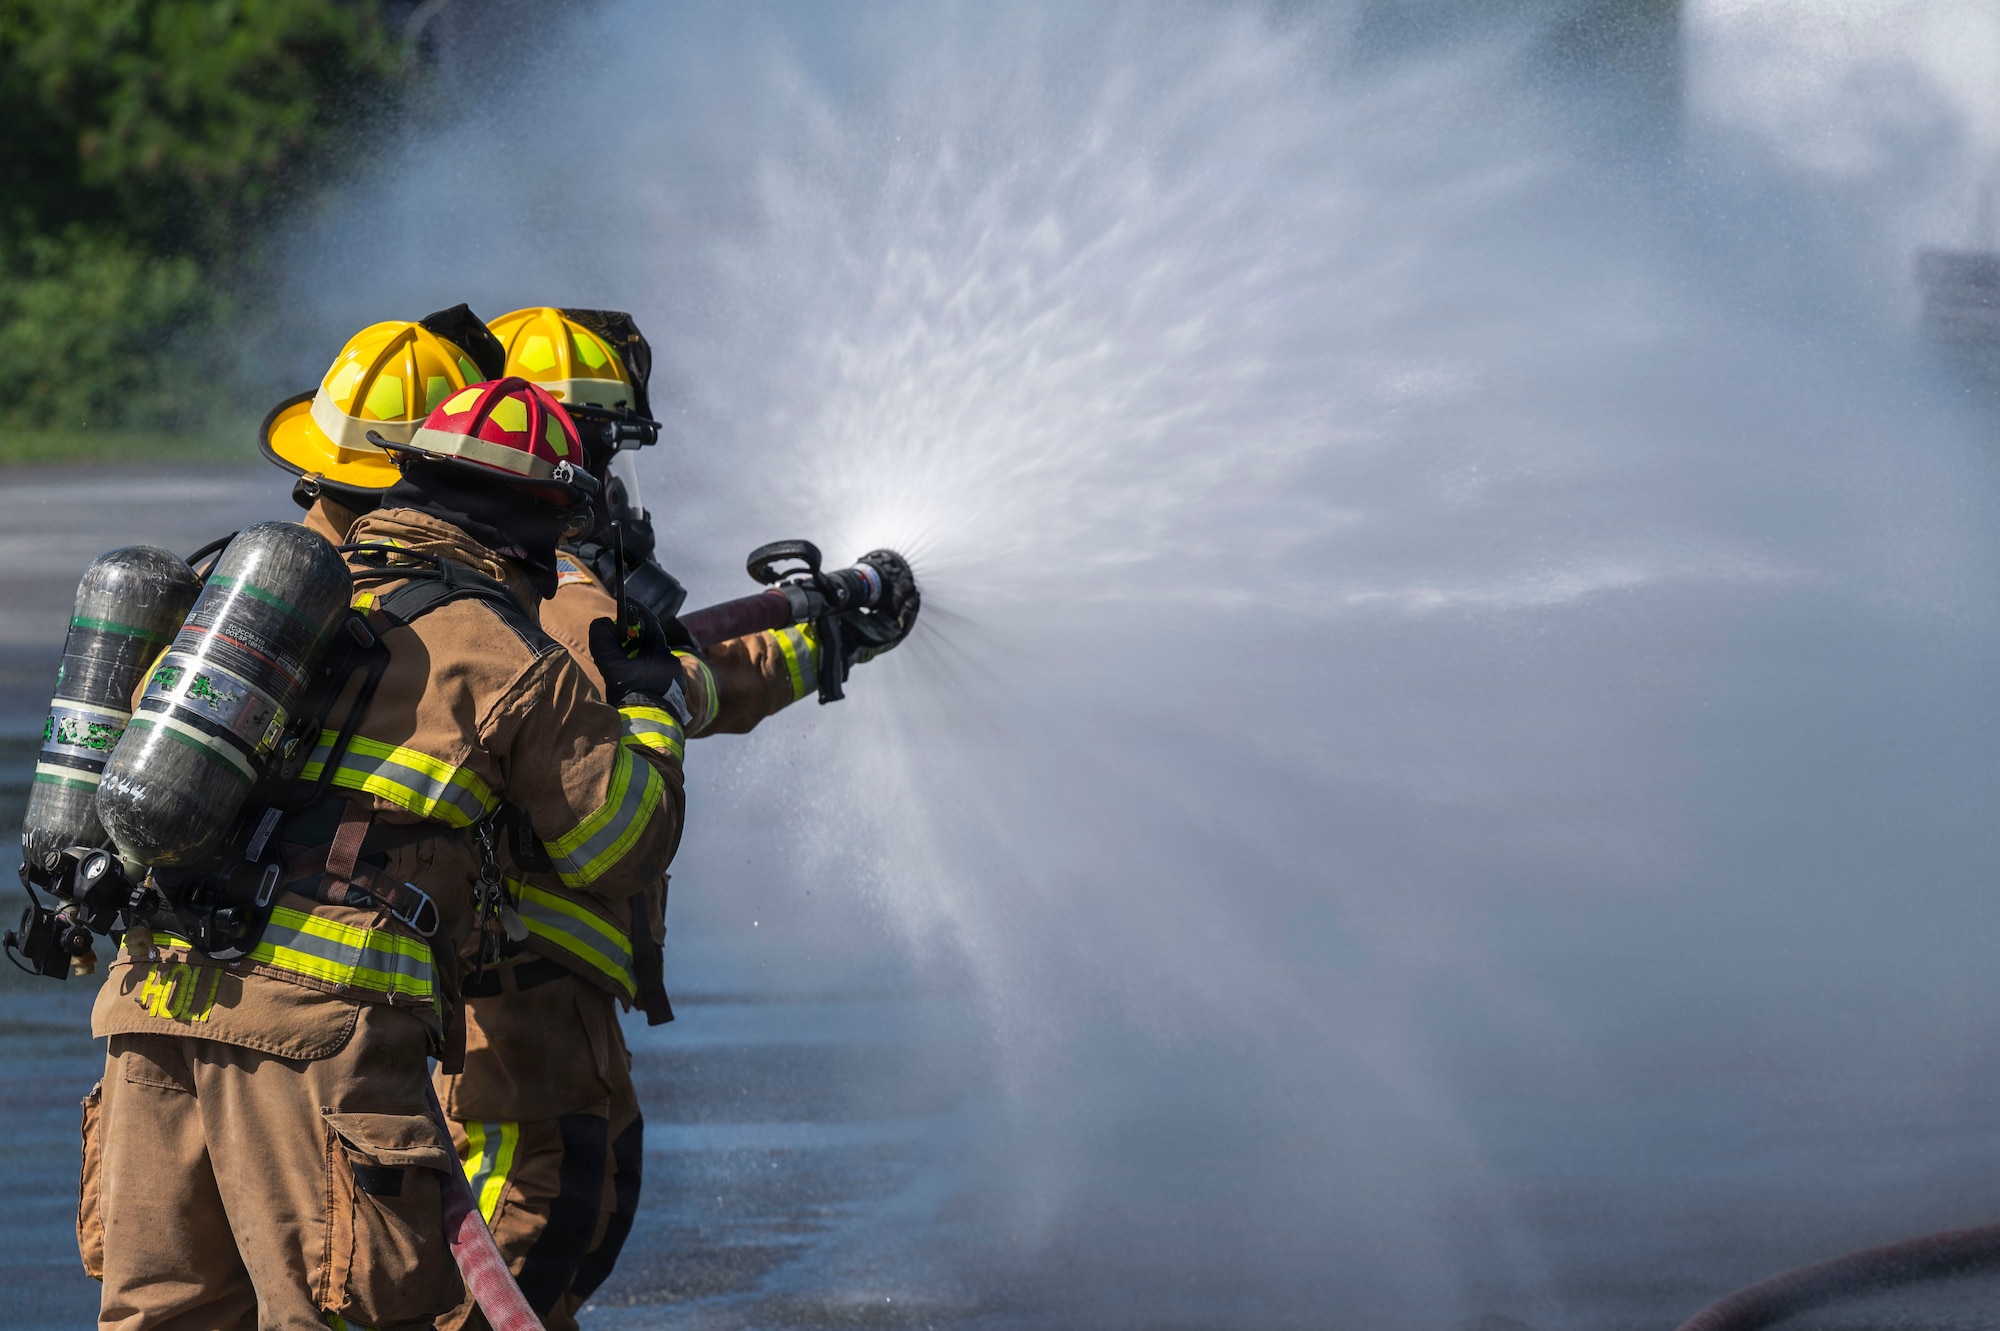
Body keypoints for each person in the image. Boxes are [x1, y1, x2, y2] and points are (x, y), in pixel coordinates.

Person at [84, 376, 687, 1330]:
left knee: (165, 1313)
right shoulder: (503, 652)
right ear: (538, 519)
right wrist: (649, 707)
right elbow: (618, 844)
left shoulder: (260, 606)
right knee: (341, 1308)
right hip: (315, 1029)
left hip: (150, 995)